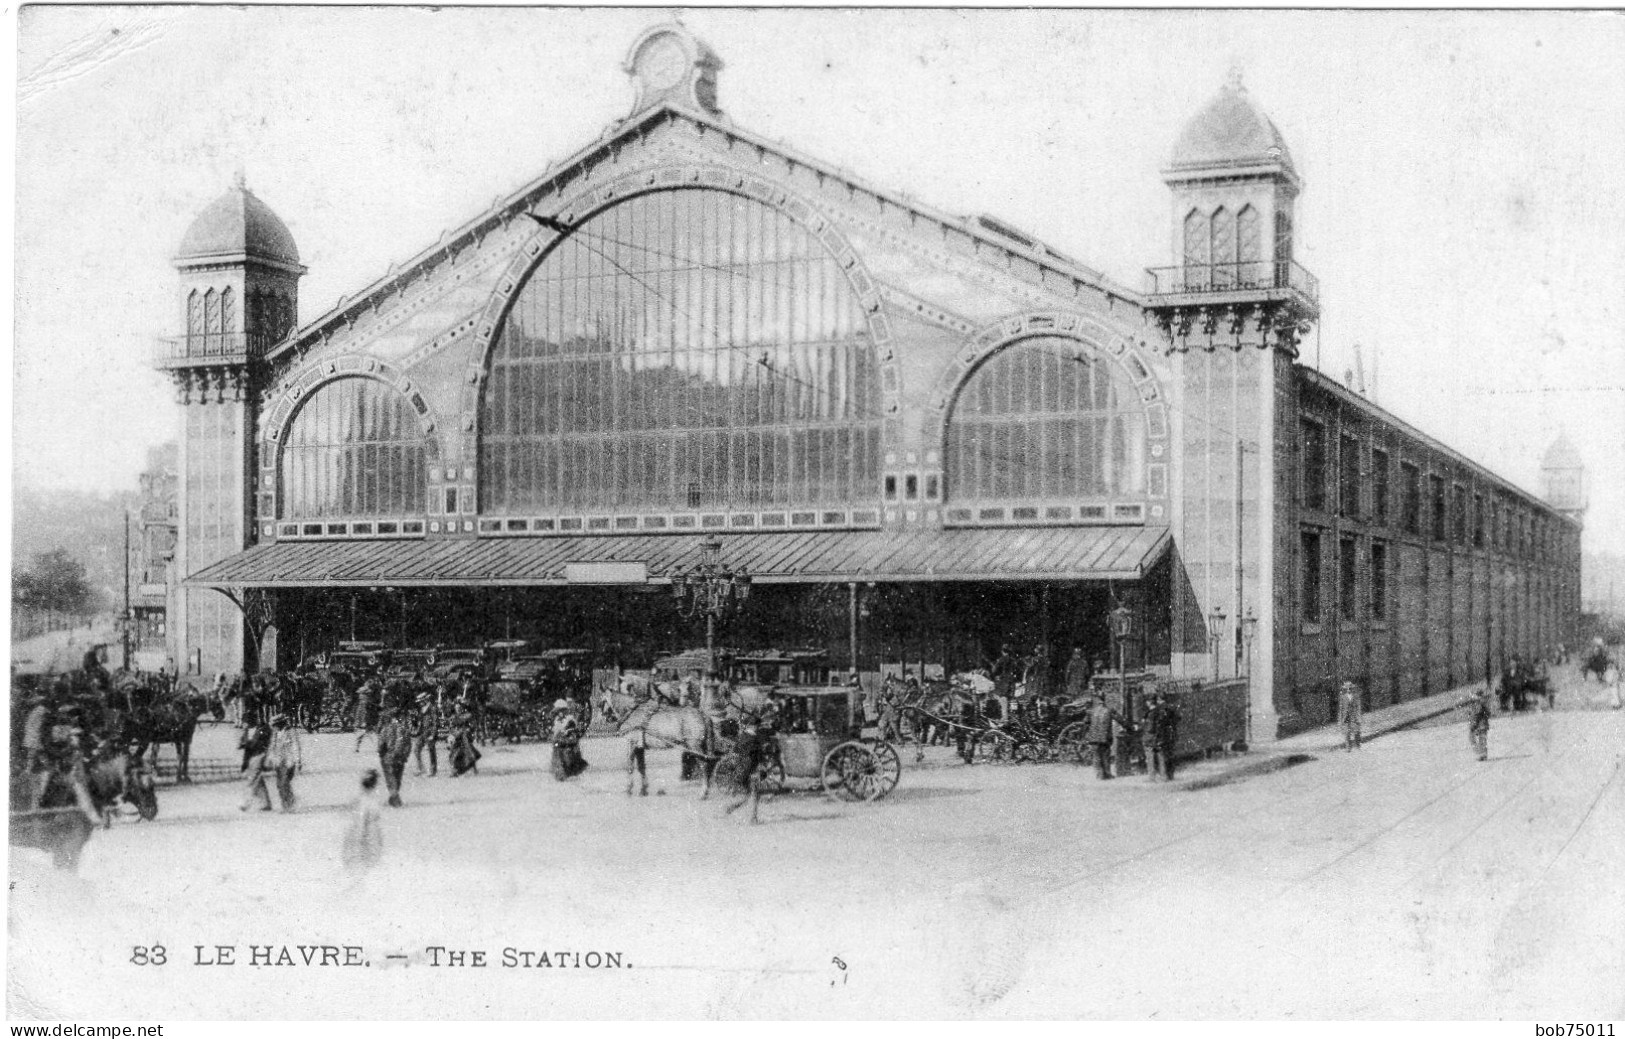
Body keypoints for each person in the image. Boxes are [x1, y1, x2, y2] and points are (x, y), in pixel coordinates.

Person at [723, 714, 774, 825]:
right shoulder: (753, 740)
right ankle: (752, 818)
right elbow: (756, 756)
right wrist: (762, 766)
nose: (757, 728)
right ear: (752, 726)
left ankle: (732, 807)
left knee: (749, 794)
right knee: (754, 794)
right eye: (756, 726)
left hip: (741, 770)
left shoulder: (742, 737)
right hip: (750, 769)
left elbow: (736, 752)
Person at [341, 770, 384, 882]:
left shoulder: (360, 799)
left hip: (364, 831)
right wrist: (360, 837)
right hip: (368, 832)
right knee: (367, 857)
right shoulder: (369, 801)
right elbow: (362, 821)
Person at [265, 714, 303, 813]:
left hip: (289, 762)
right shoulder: (276, 733)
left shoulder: (291, 731)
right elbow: (272, 746)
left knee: (284, 783)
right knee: (280, 784)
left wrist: (298, 761)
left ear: (280, 724)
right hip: (278, 761)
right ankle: (286, 804)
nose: (273, 727)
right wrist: (270, 759)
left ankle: (289, 805)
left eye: (275, 725)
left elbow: (296, 746)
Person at [375, 710, 412, 808]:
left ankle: (395, 799)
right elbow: (408, 744)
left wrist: (381, 754)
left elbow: (381, 745)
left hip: (388, 758)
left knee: (390, 778)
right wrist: (405, 755)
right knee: (397, 778)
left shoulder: (385, 729)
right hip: (401, 758)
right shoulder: (404, 729)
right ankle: (394, 797)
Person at [239, 716, 274, 811]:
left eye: (245, 724)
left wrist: (246, 743)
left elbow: (255, 745)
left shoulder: (262, 730)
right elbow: (241, 744)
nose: (243, 726)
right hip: (252, 757)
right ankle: (266, 803)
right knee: (258, 780)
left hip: (259, 756)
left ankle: (246, 803)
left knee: (252, 780)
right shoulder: (248, 731)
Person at [1083, 695, 1122, 780]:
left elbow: (1085, 723)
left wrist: (1086, 734)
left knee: (1096, 756)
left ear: (1097, 701)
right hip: (1105, 738)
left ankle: (1099, 775)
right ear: (1104, 700)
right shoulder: (1109, 710)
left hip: (1093, 738)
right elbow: (1120, 719)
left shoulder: (1091, 711)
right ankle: (1107, 774)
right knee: (1105, 755)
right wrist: (1129, 727)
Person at [550, 701, 588, 781]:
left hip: (568, 742)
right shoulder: (557, 720)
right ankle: (560, 773)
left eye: (561, 711)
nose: (559, 713)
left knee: (570, 757)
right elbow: (555, 732)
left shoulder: (569, 719)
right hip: (560, 742)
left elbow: (572, 730)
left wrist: (567, 732)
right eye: (558, 712)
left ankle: (570, 771)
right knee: (558, 756)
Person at [410, 695, 440, 777]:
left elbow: (435, 722)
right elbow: (420, 721)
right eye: (419, 702)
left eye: (420, 701)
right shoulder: (422, 709)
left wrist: (433, 735)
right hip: (422, 732)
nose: (419, 703)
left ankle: (433, 771)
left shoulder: (432, 708)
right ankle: (420, 769)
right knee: (416, 749)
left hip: (430, 733)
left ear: (425, 700)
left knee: (431, 752)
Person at [448, 705, 481, 777]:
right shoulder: (453, 717)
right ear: (455, 709)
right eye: (457, 708)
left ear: (462, 708)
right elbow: (451, 728)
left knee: (469, 753)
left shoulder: (468, 716)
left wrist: (468, 730)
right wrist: (455, 733)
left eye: (460, 708)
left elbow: (472, 725)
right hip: (457, 737)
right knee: (453, 754)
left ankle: (473, 769)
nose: (458, 710)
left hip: (465, 737)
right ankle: (454, 770)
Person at [1464, 686, 1492, 761]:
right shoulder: (1483, 703)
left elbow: (1476, 715)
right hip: (1483, 724)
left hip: (1479, 725)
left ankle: (1480, 753)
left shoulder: (1478, 704)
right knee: (1482, 739)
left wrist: (1473, 724)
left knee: (1473, 738)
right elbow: (1488, 713)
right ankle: (1483, 754)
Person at [1336, 682, 1363, 751]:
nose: (1349, 690)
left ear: (1352, 689)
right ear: (1345, 689)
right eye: (1347, 688)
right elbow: (1341, 708)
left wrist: (1359, 717)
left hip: (1354, 716)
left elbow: (1358, 707)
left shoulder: (1356, 696)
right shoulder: (1342, 697)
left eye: (1350, 688)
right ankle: (1348, 747)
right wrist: (1340, 719)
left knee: (1356, 731)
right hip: (1346, 717)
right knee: (1347, 733)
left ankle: (1357, 746)